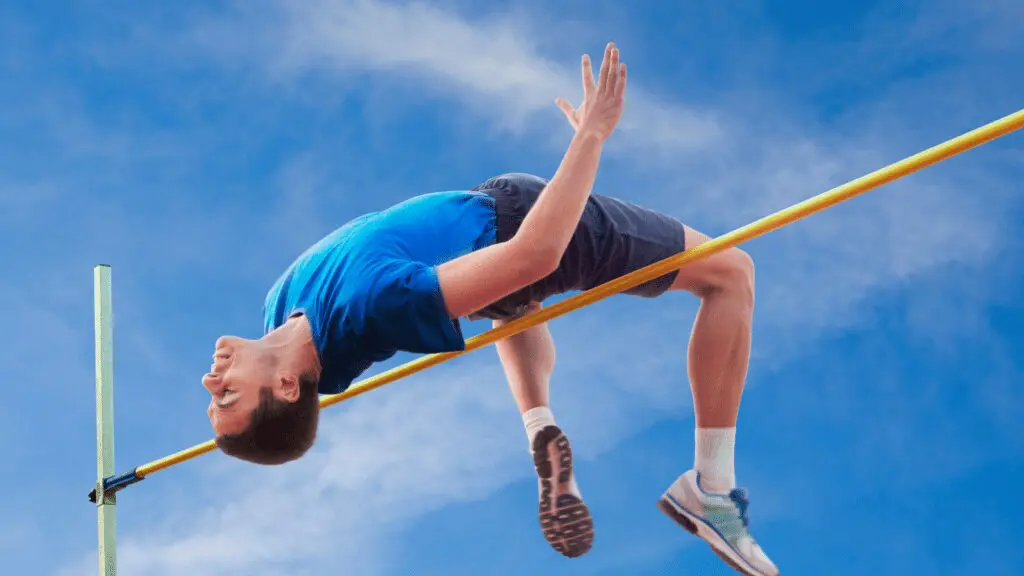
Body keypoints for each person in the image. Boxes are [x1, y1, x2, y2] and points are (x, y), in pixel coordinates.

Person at [201, 43, 778, 576]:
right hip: (528, 226)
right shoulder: (371, 308)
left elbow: (506, 273)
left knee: (510, 303)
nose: (211, 378)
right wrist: (591, 139)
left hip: (487, 222)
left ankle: (540, 423)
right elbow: (536, 253)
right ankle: (713, 488)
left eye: (213, 393)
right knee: (730, 274)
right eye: (226, 394)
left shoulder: (281, 305)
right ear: (285, 384)